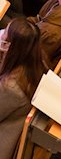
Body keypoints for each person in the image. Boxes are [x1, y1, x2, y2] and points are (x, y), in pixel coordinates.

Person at [0, 19, 46, 159]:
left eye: (5, 36)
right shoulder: (38, 62)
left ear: (12, 48)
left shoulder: (11, 88)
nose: (2, 35)